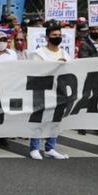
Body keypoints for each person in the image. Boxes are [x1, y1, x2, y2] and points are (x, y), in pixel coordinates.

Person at [27, 24, 70, 161]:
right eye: (54, 36)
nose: (57, 38)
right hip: (42, 91)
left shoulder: (64, 53)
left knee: (56, 120)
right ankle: (34, 148)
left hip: (60, 91)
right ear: (47, 37)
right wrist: (55, 65)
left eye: (59, 36)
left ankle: (50, 148)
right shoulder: (39, 53)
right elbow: (37, 71)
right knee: (39, 120)